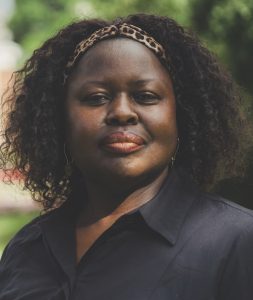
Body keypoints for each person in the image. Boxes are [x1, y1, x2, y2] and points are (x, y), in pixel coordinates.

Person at [0, 13, 252, 300]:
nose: (122, 112)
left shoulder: (237, 242)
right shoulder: (27, 247)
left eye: (145, 96)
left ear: (181, 117)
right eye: (96, 98)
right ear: (60, 120)